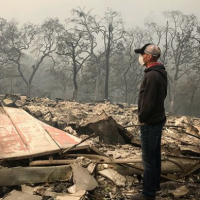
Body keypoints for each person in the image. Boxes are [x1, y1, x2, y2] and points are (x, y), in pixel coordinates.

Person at [130, 44, 167, 200]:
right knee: (155, 156)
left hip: (150, 122)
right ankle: (153, 184)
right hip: (157, 119)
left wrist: (142, 118)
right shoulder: (160, 73)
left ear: (149, 56)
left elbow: (148, 101)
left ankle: (148, 194)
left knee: (148, 159)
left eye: (143, 54)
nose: (141, 57)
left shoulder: (151, 75)